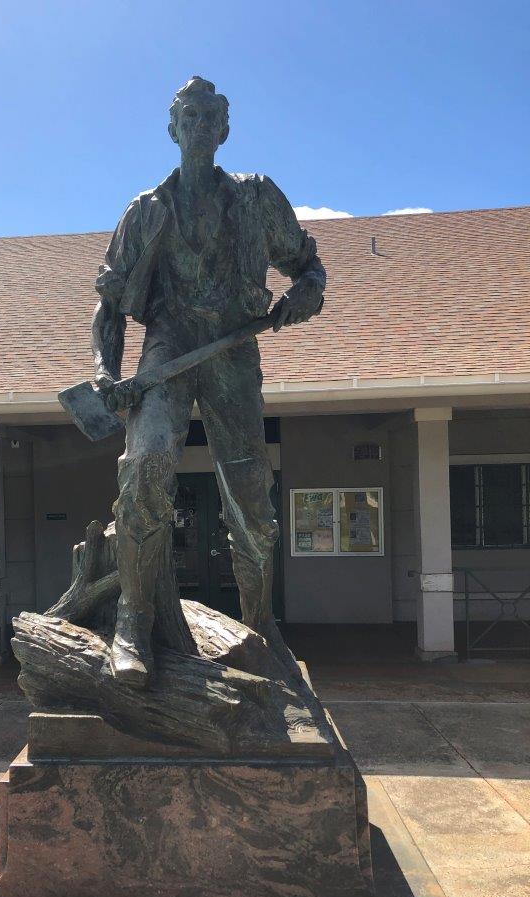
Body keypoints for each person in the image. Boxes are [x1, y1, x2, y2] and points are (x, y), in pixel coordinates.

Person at [91, 76, 326, 688]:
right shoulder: (145, 211)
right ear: (173, 128)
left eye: (209, 116)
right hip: (166, 345)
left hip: (232, 345)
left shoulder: (254, 197)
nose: (199, 124)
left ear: (224, 129)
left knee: (250, 494)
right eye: (188, 115)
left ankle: (258, 624)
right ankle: (133, 622)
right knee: (143, 467)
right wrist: (105, 373)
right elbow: (110, 306)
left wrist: (305, 293)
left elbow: (308, 267)